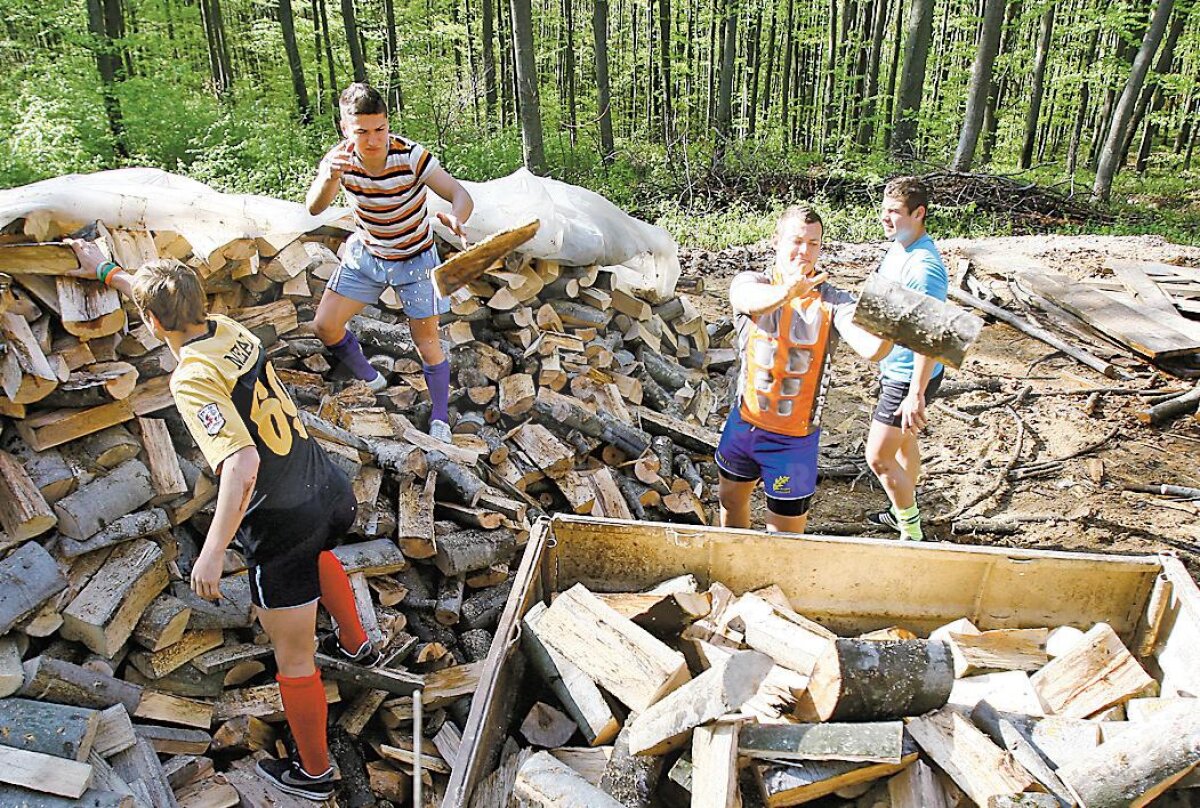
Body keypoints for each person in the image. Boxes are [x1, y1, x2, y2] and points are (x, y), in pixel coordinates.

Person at [66, 241, 380, 802]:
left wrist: (214, 551)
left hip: (283, 520)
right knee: (319, 554)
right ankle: (358, 645)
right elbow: (162, 294)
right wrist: (109, 270)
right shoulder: (230, 330)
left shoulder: (190, 378)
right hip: (327, 489)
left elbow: (242, 463)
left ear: (151, 321)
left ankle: (315, 774)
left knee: (294, 656)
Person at [306, 82, 474, 443]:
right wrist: (329, 176)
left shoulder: (411, 156)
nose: (373, 139)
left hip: (415, 259)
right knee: (324, 325)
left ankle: (440, 419)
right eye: (362, 132)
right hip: (367, 254)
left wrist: (457, 217)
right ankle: (372, 378)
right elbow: (314, 208)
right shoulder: (338, 160)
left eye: (380, 129)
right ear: (344, 128)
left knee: (426, 341)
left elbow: (460, 194)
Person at [716, 206, 891, 534]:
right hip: (744, 425)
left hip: (793, 443)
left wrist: (892, 329)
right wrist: (787, 292)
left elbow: (870, 348)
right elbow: (748, 299)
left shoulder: (834, 300)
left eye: (813, 243)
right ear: (776, 241)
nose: (804, 251)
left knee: (784, 538)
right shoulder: (753, 281)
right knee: (730, 503)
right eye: (797, 241)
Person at [864, 176, 949, 541]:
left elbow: (931, 337)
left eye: (894, 212)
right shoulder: (898, 247)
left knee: (879, 457)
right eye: (883, 210)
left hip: (909, 375)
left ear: (919, 213)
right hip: (894, 366)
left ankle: (911, 531)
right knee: (904, 444)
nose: (886, 218)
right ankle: (898, 510)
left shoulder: (925, 268)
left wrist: (916, 393)